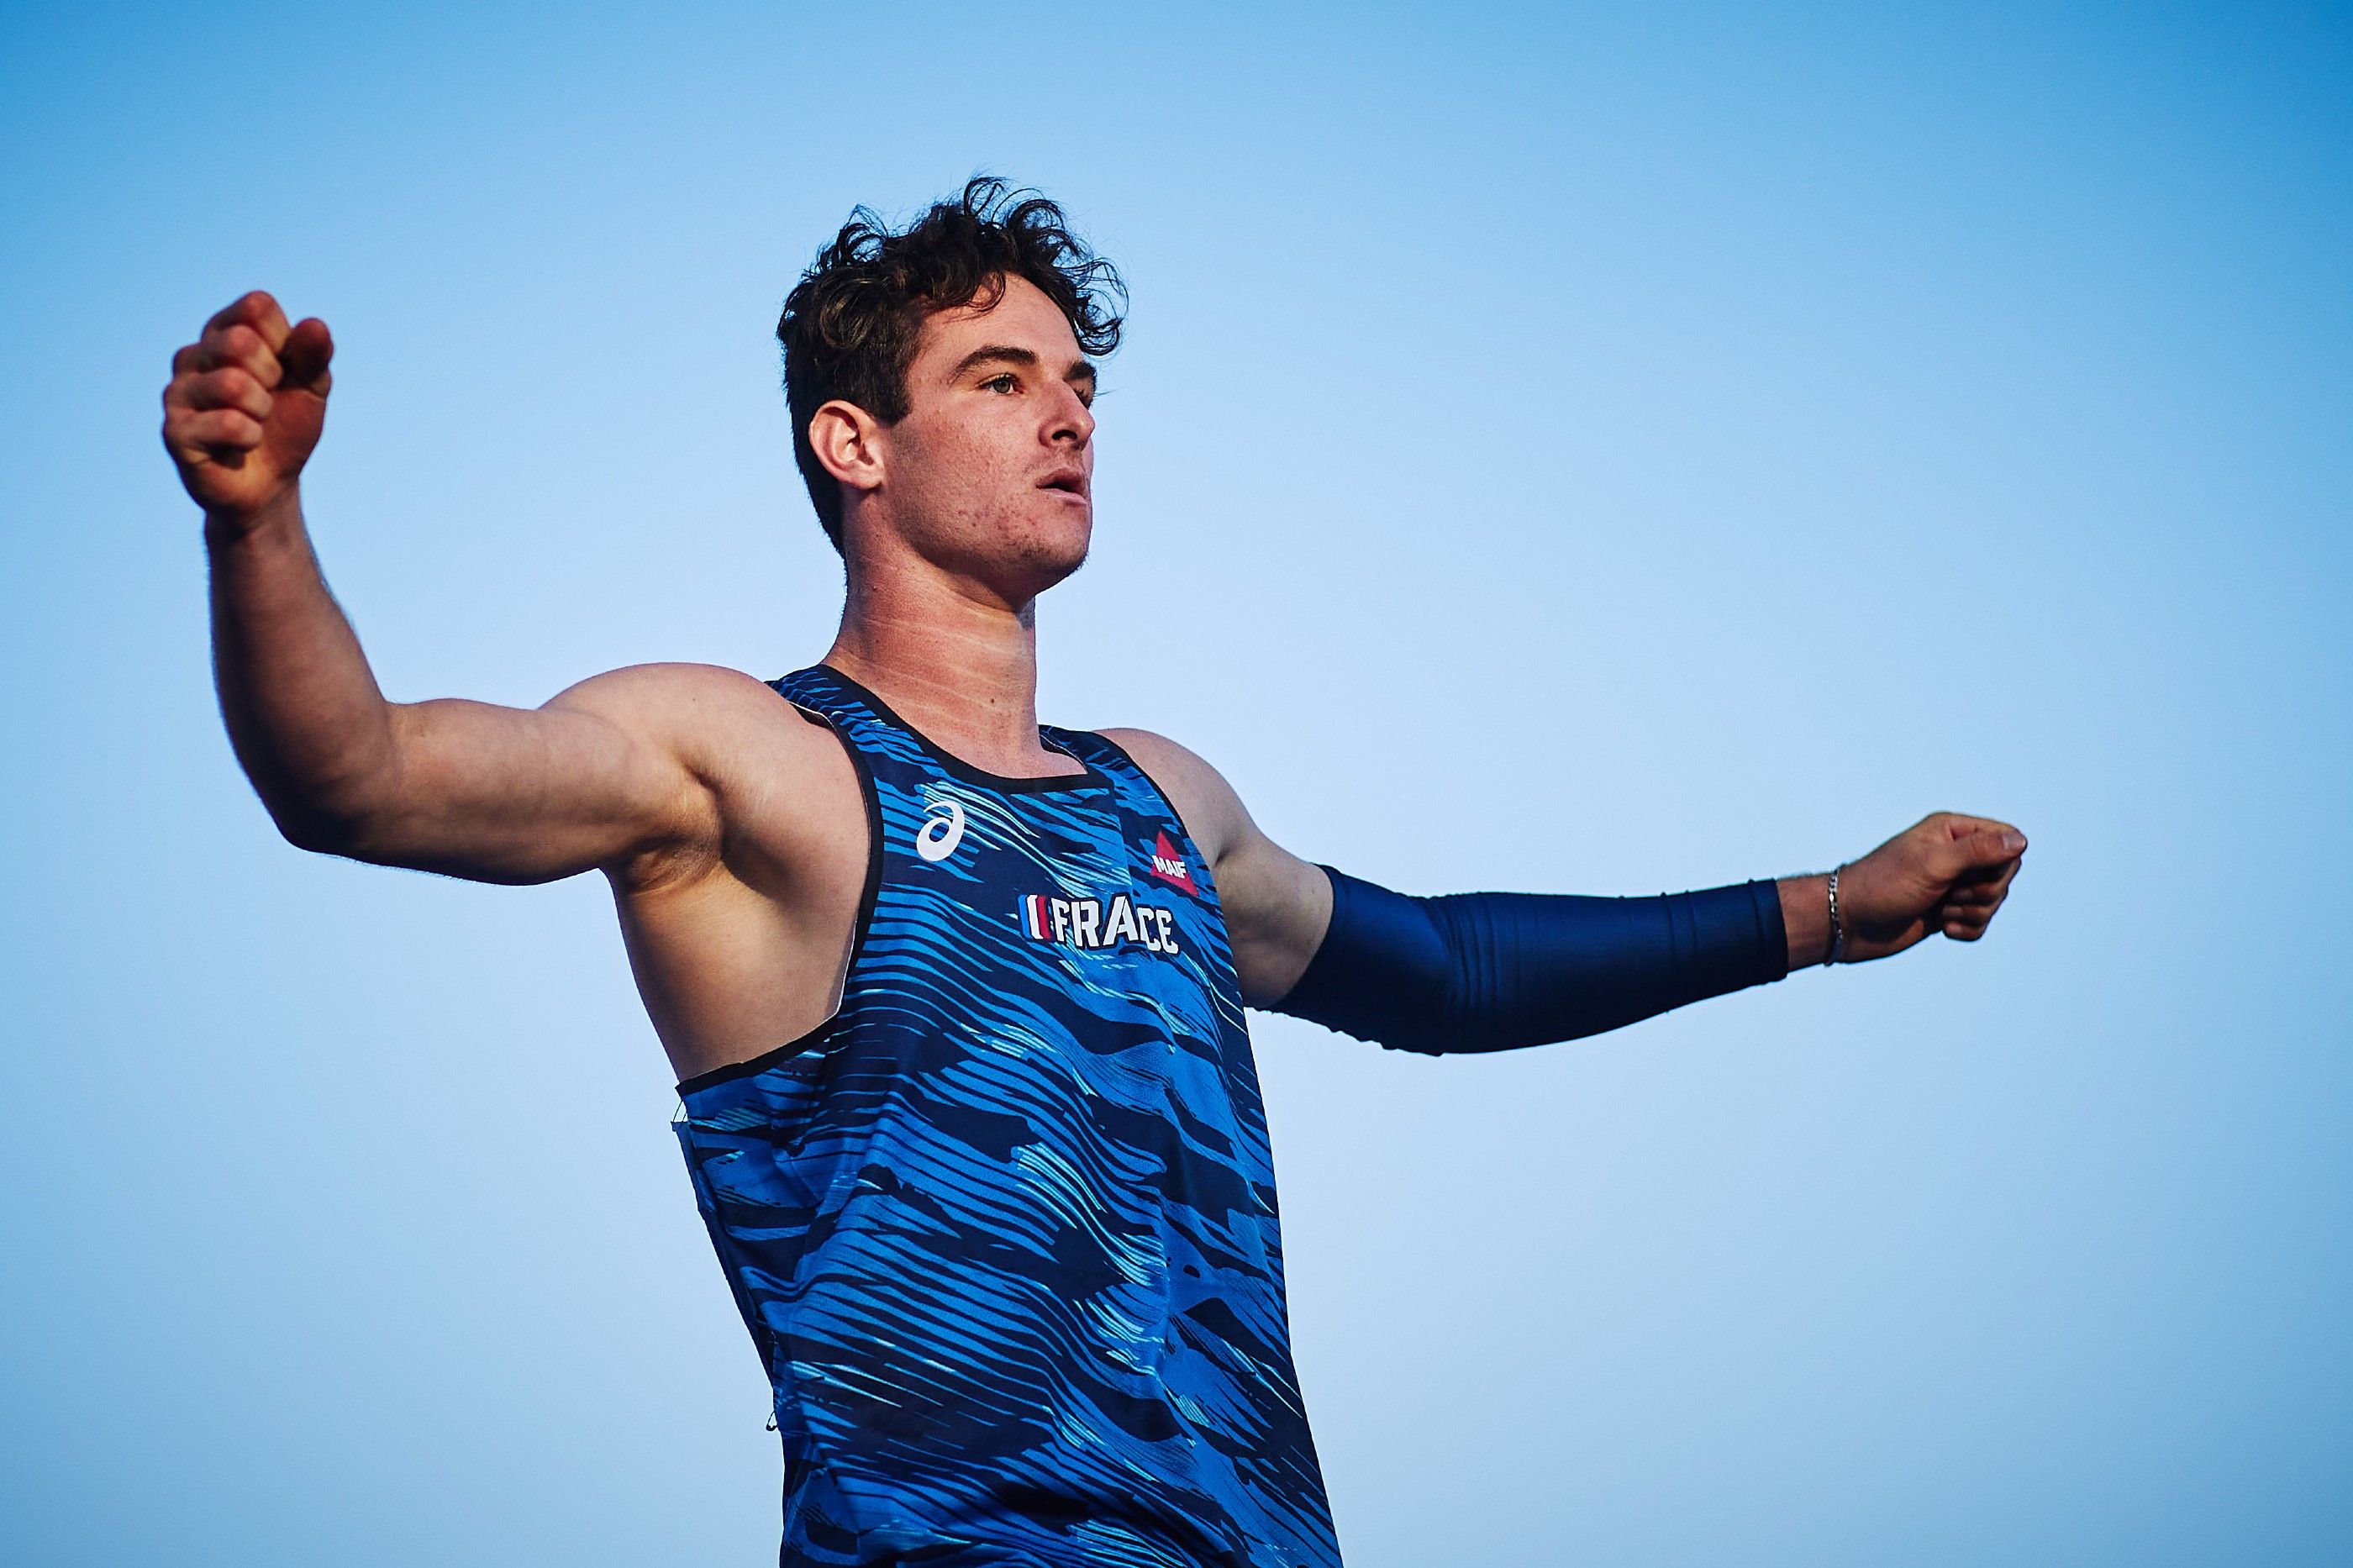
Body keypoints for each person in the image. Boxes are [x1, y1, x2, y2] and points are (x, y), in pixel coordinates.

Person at [162, 177, 2024, 1568]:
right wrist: (261, 529)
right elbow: (364, 777)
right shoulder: (757, 764)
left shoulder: (1162, 799)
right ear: (854, 443)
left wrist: (1830, 913)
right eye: (998, 377)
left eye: (1074, 380)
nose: (1066, 415)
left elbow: (1442, 973)